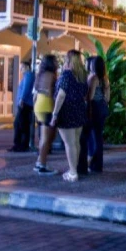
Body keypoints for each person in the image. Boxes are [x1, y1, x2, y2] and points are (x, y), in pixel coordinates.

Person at [50, 50, 88, 182]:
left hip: (67, 111)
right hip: (79, 110)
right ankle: (74, 169)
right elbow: (85, 94)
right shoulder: (82, 75)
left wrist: (55, 114)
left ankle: (73, 172)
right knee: (76, 142)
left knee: (69, 144)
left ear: (68, 60)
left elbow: (61, 95)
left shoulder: (66, 75)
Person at [78, 56, 110, 174]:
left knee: (90, 136)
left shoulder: (93, 78)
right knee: (98, 136)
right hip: (102, 108)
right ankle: (97, 165)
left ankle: (91, 161)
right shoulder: (105, 79)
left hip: (94, 108)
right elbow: (108, 97)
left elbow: (89, 97)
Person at [33, 55, 58, 175]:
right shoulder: (51, 75)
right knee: (46, 138)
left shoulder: (40, 74)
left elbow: (36, 91)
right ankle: (42, 165)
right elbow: (50, 92)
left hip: (39, 105)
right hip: (47, 106)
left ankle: (40, 161)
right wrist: (55, 110)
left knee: (45, 137)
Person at [11, 61, 34, 152]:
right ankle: (18, 144)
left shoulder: (28, 75)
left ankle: (22, 145)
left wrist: (22, 99)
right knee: (19, 124)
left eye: (22, 67)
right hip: (24, 103)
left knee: (21, 124)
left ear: (27, 67)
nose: (20, 69)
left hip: (25, 104)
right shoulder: (26, 76)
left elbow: (26, 88)